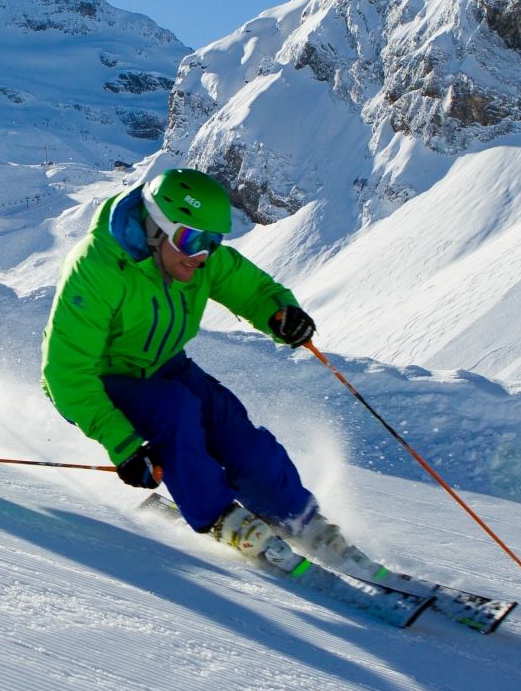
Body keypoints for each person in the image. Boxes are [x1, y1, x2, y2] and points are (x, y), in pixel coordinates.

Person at [40, 166, 360, 566]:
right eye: (191, 239)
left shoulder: (196, 260)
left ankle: (297, 517)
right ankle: (222, 518)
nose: (202, 254)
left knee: (232, 427)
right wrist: (124, 446)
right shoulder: (96, 268)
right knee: (175, 413)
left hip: (166, 365)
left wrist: (279, 314)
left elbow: (252, 289)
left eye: (212, 241)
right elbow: (66, 373)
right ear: (155, 228)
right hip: (103, 379)